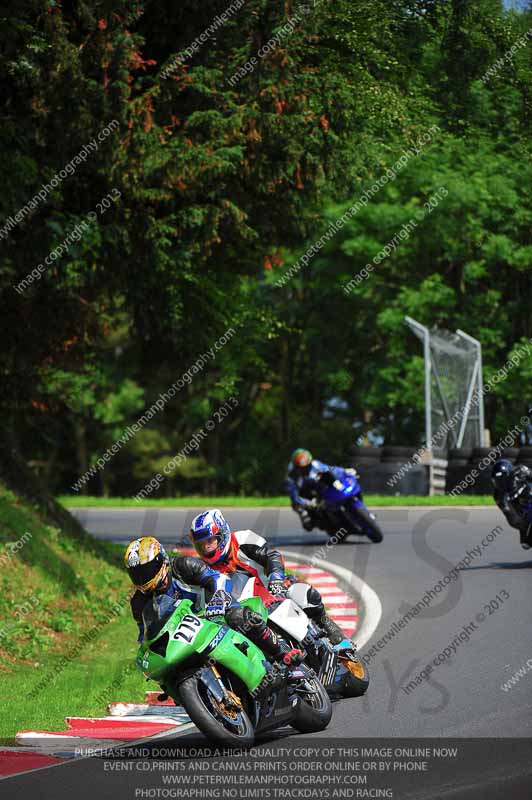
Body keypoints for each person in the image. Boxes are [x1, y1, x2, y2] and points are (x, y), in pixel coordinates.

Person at [124, 536, 303, 670]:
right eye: (137, 574)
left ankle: (282, 651)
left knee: (239, 617)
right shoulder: (139, 602)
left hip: (216, 612)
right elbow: (144, 636)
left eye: (147, 570)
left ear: (161, 560)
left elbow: (218, 579)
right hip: (187, 635)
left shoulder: (183, 566)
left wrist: (217, 602)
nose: (144, 578)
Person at [189, 509, 347, 645]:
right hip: (244, 615)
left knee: (302, 593)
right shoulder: (202, 569)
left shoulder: (243, 539)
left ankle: (328, 626)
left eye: (210, 541)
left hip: (272, 594)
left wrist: (276, 578)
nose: (206, 547)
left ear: (222, 534)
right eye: (201, 544)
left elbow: (272, 555)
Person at [284, 448, 359, 532]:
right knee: (305, 519)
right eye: (301, 464)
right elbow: (294, 497)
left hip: (323, 490)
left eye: (305, 462)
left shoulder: (315, 464)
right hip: (308, 498)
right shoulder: (292, 478)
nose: (304, 467)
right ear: (296, 465)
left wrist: (345, 471)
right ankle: (308, 518)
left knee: (332, 478)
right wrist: (310, 503)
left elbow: (330, 469)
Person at [492, 460, 532, 550]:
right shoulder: (499, 496)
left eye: (502, 480)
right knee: (526, 543)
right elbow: (511, 517)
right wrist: (526, 527)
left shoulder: (521, 471)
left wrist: (529, 473)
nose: (499, 484)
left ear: (510, 476)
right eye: (497, 481)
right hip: (524, 513)